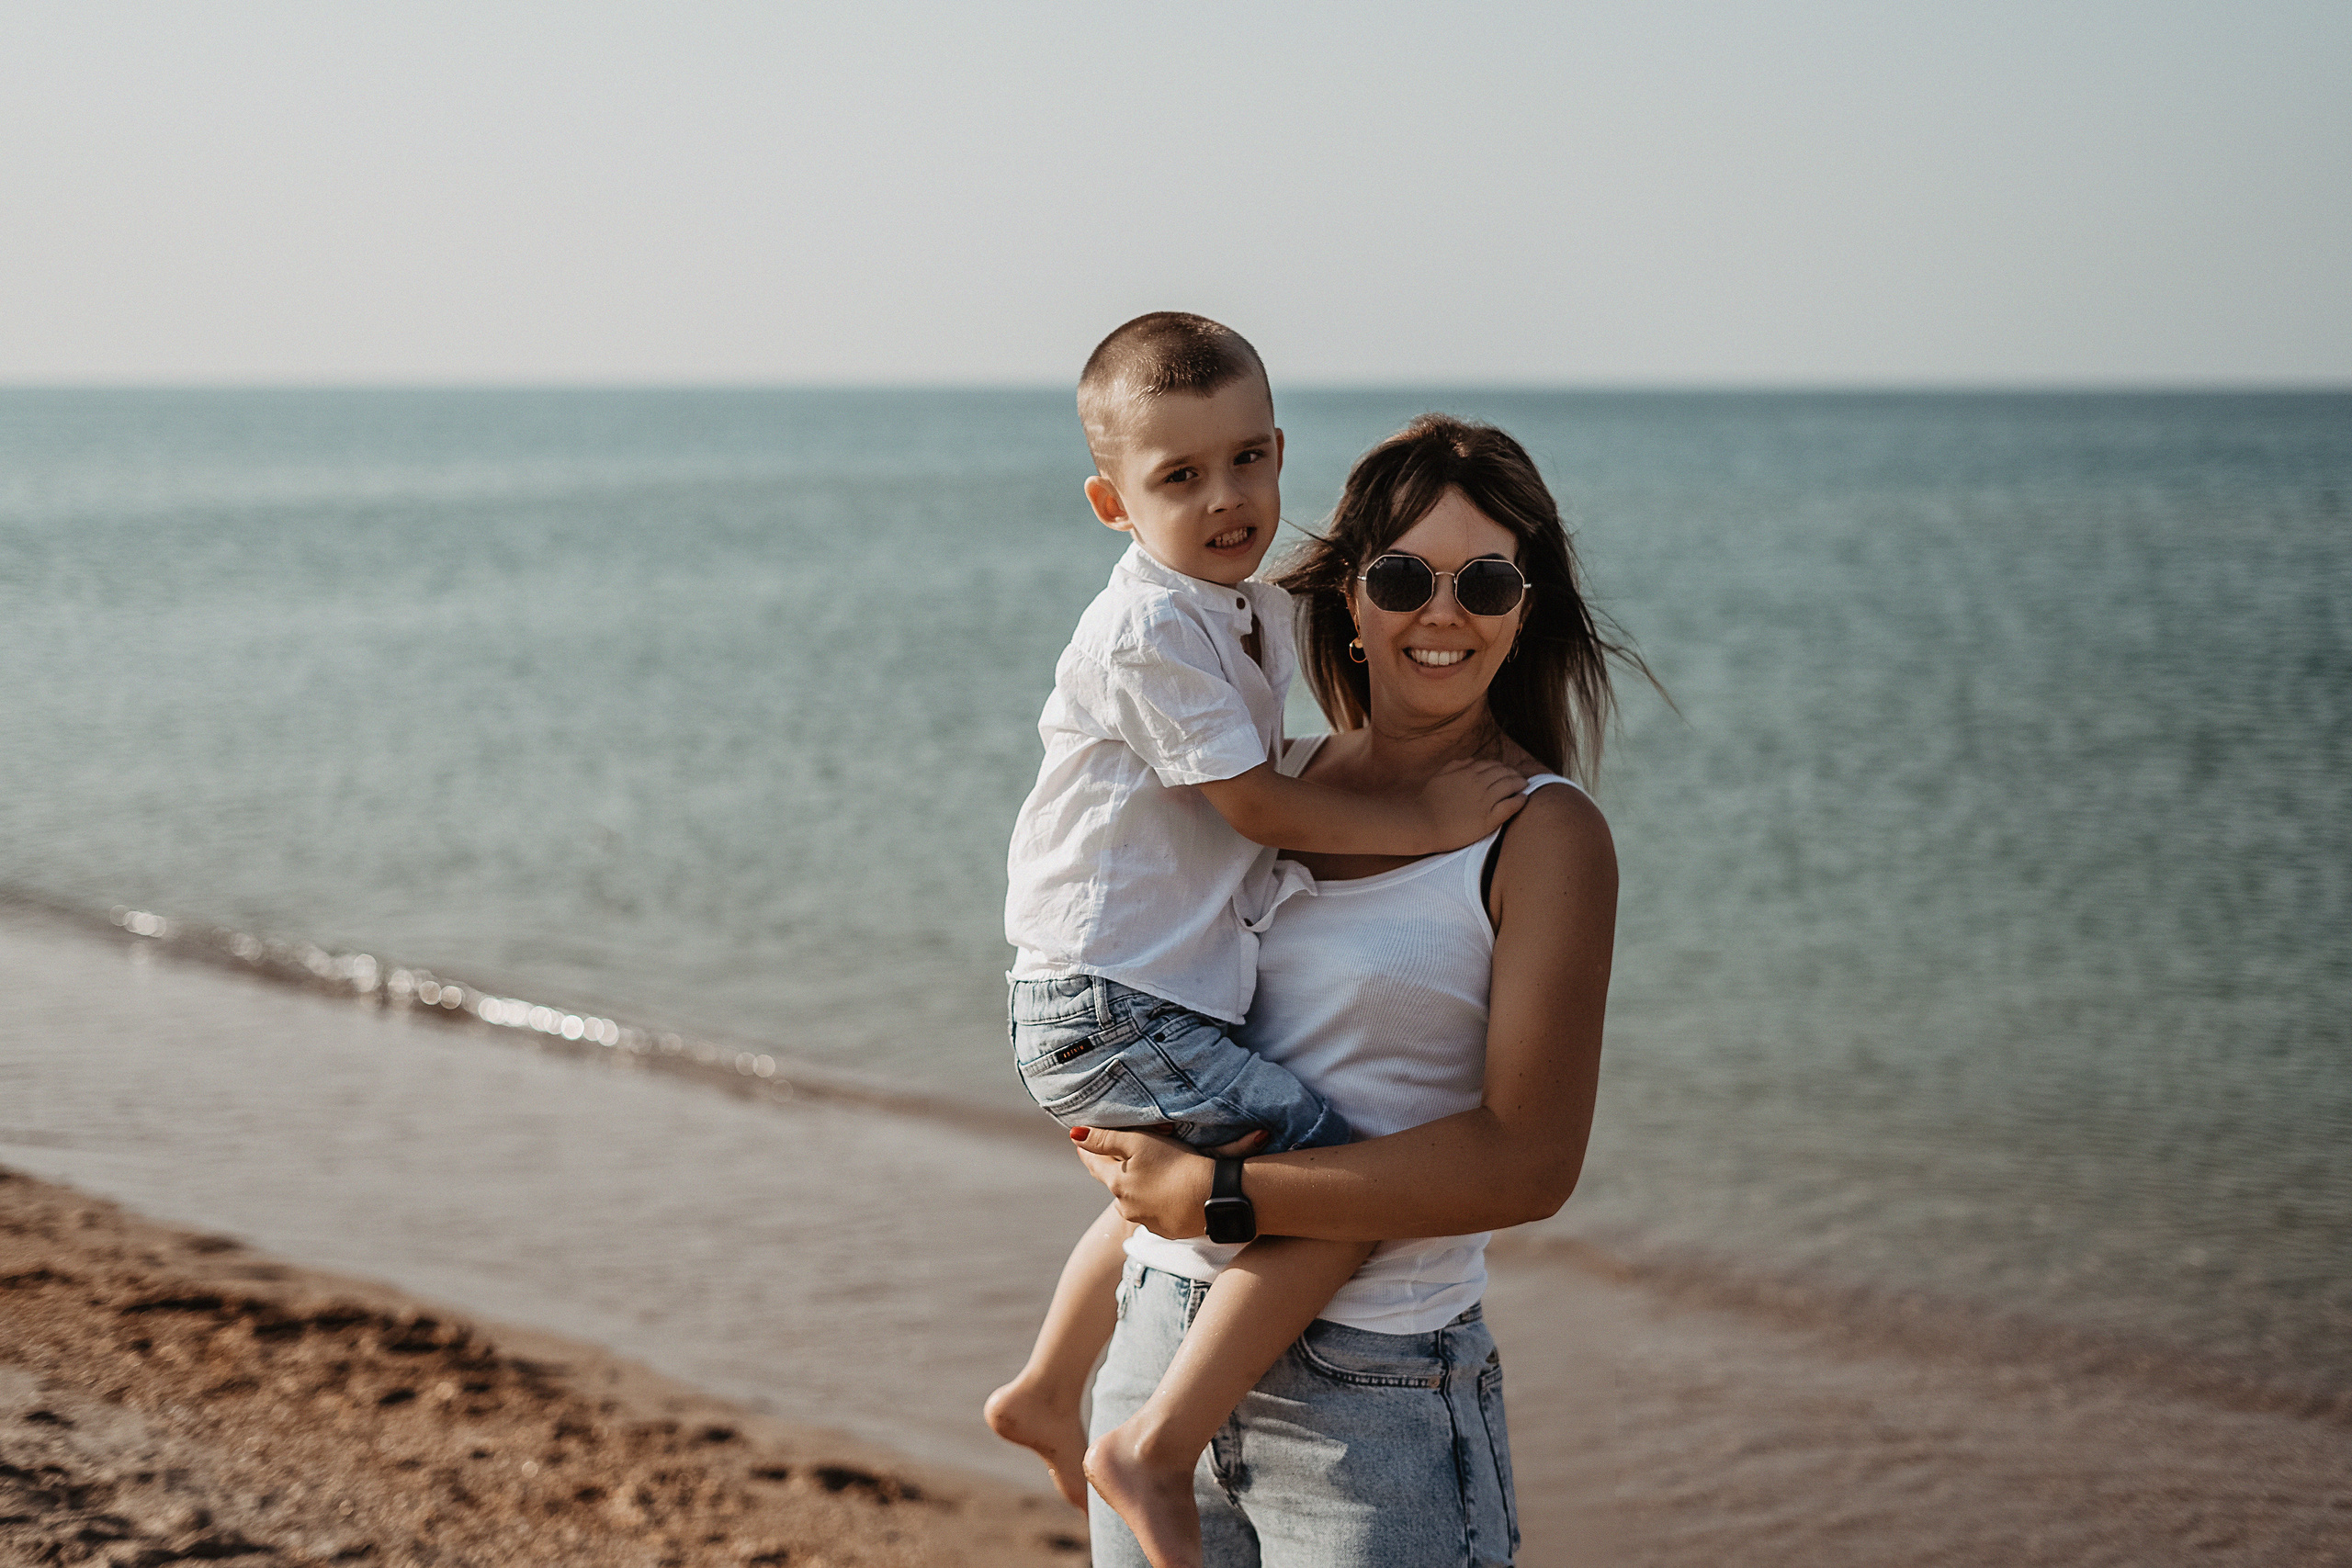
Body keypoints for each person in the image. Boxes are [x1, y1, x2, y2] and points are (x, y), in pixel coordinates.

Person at [985, 317, 1531, 1553]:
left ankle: (1045, 1388)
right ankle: (1154, 1440)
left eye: (1248, 460)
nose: (1226, 498)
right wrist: (1428, 813)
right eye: (1178, 477)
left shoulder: (1236, 604)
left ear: (1280, 450)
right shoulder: (1152, 630)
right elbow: (1256, 802)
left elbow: (1337, 597)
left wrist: (1387, 570)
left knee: (1175, 1178)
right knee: (1328, 1176)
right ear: (1110, 502)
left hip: (1121, 989)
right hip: (1109, 995)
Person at [1070, 413, 1637, 1568]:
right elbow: (1126, 977)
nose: (1442, 612)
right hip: (1153, 1345)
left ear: (1525, 609)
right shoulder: (1261, 785)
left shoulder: (1544, 833)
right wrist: (1114, 1142)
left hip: (1375, 1402)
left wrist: (1221, 1191)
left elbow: (1528, 1163)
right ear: (1349, 598)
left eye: (1484, 580)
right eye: (1401, 576)